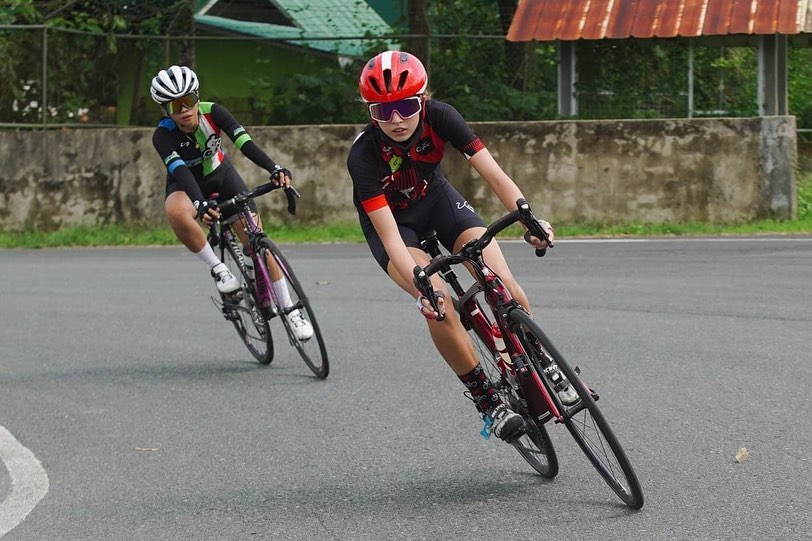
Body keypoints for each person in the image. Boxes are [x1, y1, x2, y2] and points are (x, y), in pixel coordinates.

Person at [347, 51, 576, 442]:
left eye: (405, 107)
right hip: (396, 227)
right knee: (439, 304)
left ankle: (541, 359)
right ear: (370, 113)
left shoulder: (442, 116)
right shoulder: (363, 155)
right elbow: (390, 237)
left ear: (423, 99)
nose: (396, 119)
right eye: (382, 111)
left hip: (437, 201)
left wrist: (529, 218)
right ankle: (486, 399)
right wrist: (421, 284)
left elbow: (494, 175)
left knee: (501, 280)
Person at [149, 64, 312, 340]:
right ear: (166, 111)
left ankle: (291, 310)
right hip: (187, 183)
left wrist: (274, 168)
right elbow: (180, 170)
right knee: (175, 211)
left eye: (188, 100)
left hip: (222, 175)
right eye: (175, 106)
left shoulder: (214, 112)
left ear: (197, 97)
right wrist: (200, 204)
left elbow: (244, 143)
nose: (185, 110)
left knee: (259, 244)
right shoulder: (162, 135)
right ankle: (219, 268)